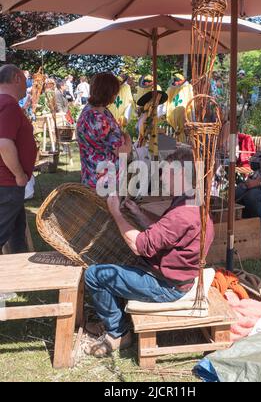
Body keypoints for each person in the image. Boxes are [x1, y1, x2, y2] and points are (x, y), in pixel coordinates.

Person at [84, 147, 215, 357]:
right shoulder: (191, 199)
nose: (162, 177)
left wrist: (116, 213)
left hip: (166, 286)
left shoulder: (182, 213)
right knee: (114, 265)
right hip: (172, 275)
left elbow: (140, 245)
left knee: (94, 275)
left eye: (167, 172)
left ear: (181, 173)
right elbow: (163, 233)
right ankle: (115, 318)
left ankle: (118, 334)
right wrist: (138, 213)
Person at [0, 65, 37, 254]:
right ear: (16, 78)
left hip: (7, 183)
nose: (26, 86)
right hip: (8, 183)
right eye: (24, 80)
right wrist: (19, 175)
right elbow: (4, 143)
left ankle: (18, 277)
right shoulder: (8, 104)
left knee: (16, 236)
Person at [76, 72, 132, 190]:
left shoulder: (90, 110)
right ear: (109, 93)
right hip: (105, 182)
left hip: (92, 177)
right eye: (115, 92)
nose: (116, 95)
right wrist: (127, 137)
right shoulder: (99, 119)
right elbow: (123, 153)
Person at [165, 73, 194, 142]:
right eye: (175, 81)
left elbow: (190, 100)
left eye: (177, 81)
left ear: (181, 81)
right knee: (178, 132)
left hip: (183, 115)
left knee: (183, 131)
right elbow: (168, 100)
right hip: (175, 117)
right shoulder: (171, 89)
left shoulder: (188, 88)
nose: (175, 82)